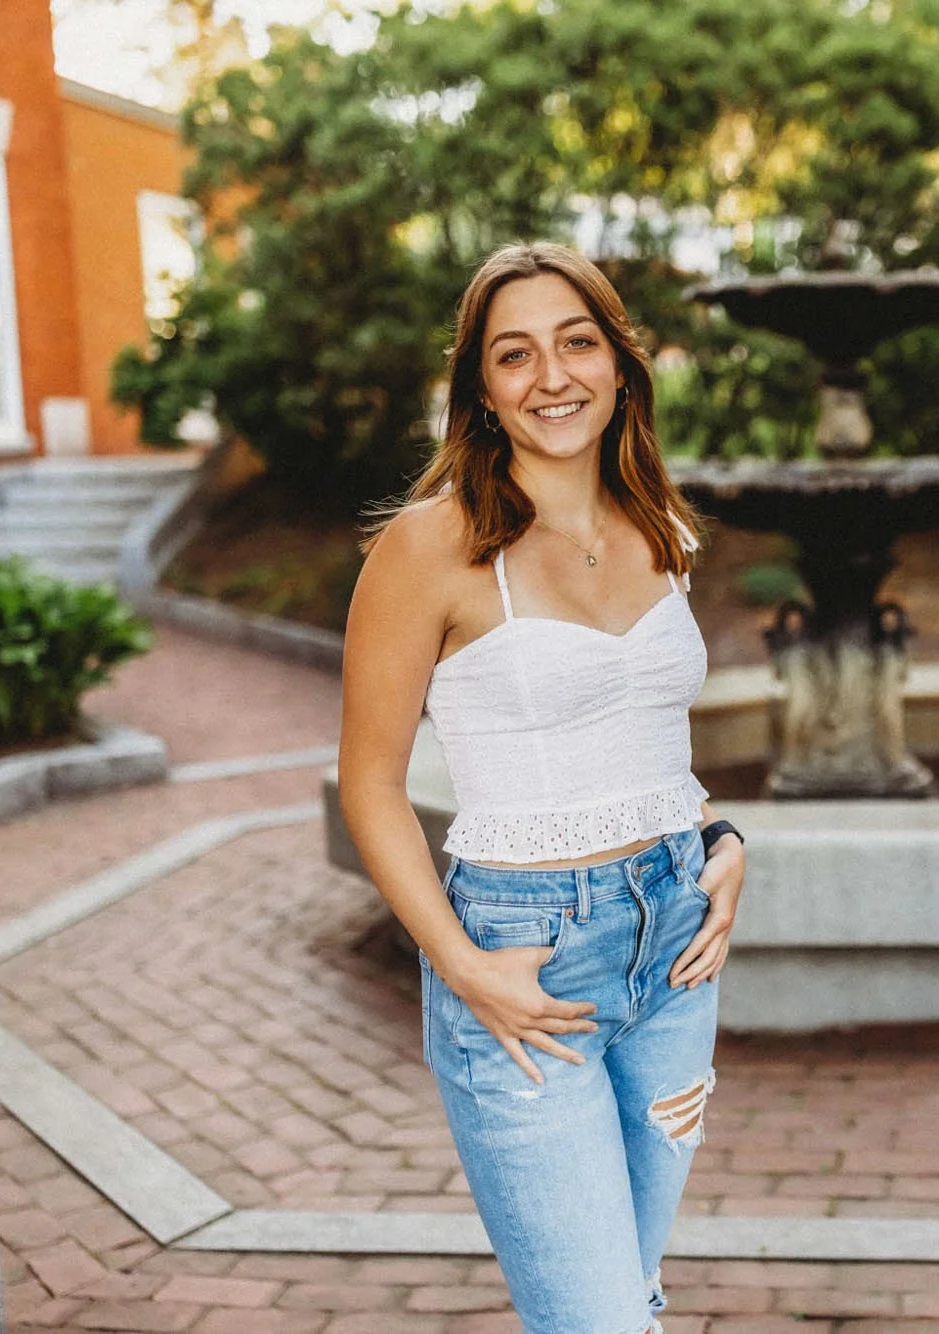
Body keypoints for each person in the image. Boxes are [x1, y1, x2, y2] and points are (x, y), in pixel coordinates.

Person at [338, 240, 745, 1332]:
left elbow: (649, 739)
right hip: (523, 962)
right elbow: (367, 784)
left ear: (619, 361)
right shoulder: (429, 546)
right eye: (514, 355)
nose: (551, 376)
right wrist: (462, 965)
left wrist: (720, 841)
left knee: (633, 1293)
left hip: (674, 957)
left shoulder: (658, 521)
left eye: (576, 342)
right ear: (479, 387)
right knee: (597, 1318)